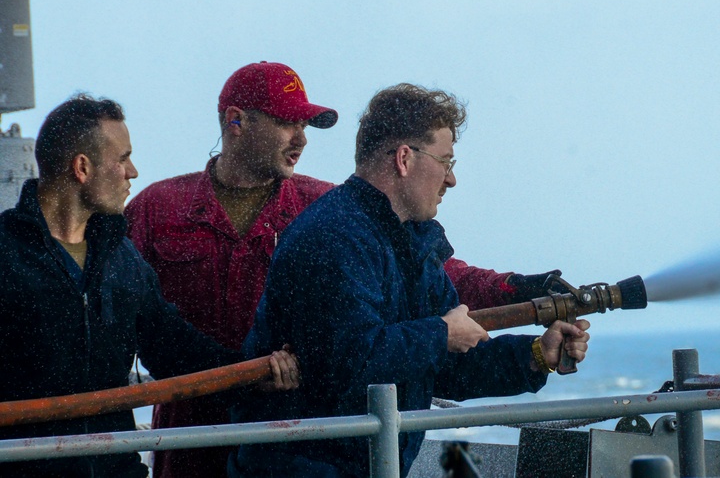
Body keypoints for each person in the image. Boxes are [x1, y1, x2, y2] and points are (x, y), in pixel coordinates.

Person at [125, 62, 563, 478]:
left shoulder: (333, 209)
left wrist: (525, 319)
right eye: (287, 123)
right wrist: (239, 374)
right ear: (236, 121)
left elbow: (445, 287)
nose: (301, 139)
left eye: (305, 126)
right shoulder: (157, 208)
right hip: (199, 427)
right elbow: (136, 325)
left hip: (289, 426)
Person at [228, 83, 591, 477]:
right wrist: (440, 334)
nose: (451, 180)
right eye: (446, 162)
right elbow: (347, 362)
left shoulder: (411, 242)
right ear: (404, 158)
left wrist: (537, 355)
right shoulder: (334, 236)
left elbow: (444, 365)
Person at [0, 95, 298, 478]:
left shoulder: (119, 257)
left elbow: (173, 347)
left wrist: (256, 375)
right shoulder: (7, 255)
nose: (133, 172)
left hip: (116, 468)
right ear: (82, 167)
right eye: (122, 159)